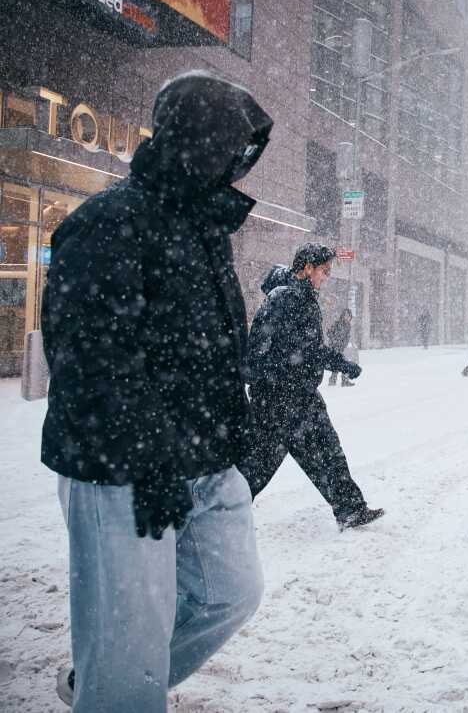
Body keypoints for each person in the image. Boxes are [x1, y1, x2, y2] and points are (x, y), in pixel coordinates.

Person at [40, 70, 269, 711]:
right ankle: (116, 687)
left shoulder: (204, 229)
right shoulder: (108, 223)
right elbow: (91, 362)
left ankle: (108, 684)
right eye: (231, 150)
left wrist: (233, 435)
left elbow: (213, 352)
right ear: (197, 143)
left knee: (231, 593)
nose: (239, 167)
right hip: (122, 471)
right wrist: (146, 458)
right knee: (128, 643)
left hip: (201, 462)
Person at [241, 243, 384, 530]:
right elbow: (305, 351)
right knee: (258, 465)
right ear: (307, 268)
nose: (326, 277)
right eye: (324, 271)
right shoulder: (291, 300)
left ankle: (350, 508)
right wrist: (342, 364)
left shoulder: (294, 297)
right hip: (283, 398)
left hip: (293, 395)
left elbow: (303, 350)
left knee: (324, 451)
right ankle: (217, 512)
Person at [327, 308, 355, 387]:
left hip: (341, 347)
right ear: (343, 316)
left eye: (349, 316)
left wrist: (344, 344)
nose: (347, 317)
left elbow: (347, 337)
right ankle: (342, 381)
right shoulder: (338, 324)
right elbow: (329, 333)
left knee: (338, 364)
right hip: (334, 347)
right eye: (346, 315)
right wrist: (335, 341)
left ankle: (334, 380)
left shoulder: (348, 326)